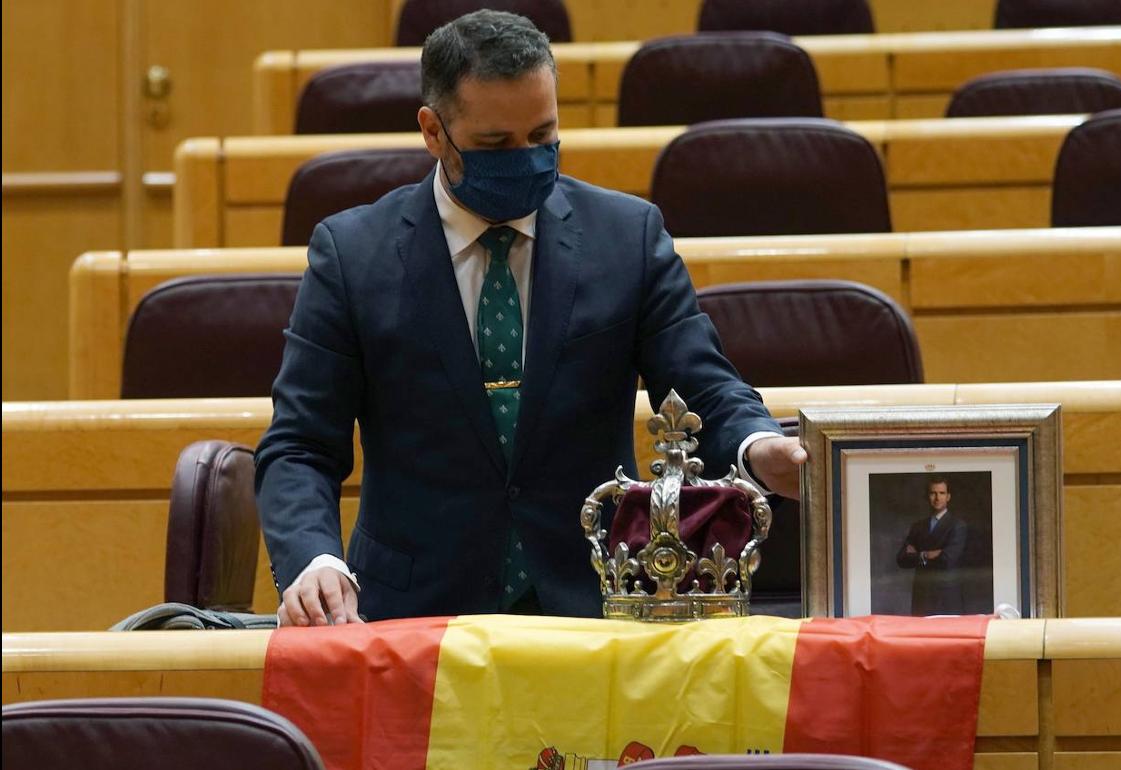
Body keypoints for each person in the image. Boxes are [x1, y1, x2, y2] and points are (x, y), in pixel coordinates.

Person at [255, 10, 807, 627]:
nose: (526, 159)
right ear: (434, 132)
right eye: (496, 145)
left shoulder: (625, 238)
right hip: (411, 617)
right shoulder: (353, 255)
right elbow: (300, 444)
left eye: (543, 138)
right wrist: (314, 560)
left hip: (594, 603)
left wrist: (760, 447)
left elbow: (705, 386)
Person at [895, 476, 968, 615]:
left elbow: (948, 559)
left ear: (948, 496)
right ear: (927, 496)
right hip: (922, 596)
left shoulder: (958, 526)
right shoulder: (918, 526)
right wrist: (929, 554)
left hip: (947, 597)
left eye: (941, 493)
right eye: (933, 493)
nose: (937, 498)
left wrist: (918, 554)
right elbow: (902, 559)